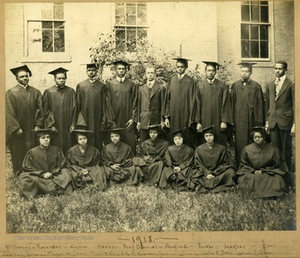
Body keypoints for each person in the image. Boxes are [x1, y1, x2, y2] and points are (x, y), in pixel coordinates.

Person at [225, 62, 265, 168]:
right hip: (238, 122)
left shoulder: (256, 86)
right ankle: (240, 169)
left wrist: (259, 123)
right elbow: (231, 105)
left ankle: (253, 168)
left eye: (247, 71)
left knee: (252, 145)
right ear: (240, 72)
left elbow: (260, 106)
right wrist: (231, 122)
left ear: (250, 73)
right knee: (240, 146)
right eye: (242, 71)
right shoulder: (235, 86)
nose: (244, 73)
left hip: (252, 122)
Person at [6, 65, 44, 174]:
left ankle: (33, 170)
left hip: (32, 127)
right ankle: (19, 170)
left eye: (26, 76)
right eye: (22, 77)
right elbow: (9, 112)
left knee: (33, 148)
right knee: (18, 148)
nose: (24, 78)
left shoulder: (36, 92)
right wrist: (16, 128)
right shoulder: (10, 93)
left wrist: (38, 125)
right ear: (16, 78)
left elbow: (41, 110)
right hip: (19, 128)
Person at [18, 129, 73, 198]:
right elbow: (27, 168)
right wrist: (43, 174)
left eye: (48, 137)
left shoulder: (56, 150)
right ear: (38, 139)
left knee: (66, 172)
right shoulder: (31, 152)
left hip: (55, 176)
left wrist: (52, 173)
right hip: (40, 177)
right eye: (43, 138)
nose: (46, 139)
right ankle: (53, 189)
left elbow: (61, 164)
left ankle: (45, 189)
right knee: (25, 176)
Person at [235, 127, 288, 198]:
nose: (257, 139)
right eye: (255, 137)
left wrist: (263, 171)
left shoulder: (274, 150)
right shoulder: (246, 149)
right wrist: (253, 171)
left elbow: (278, 166)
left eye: (259, 137)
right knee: (244, 178)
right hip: (251, 173)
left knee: (277, 178)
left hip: (268, 172)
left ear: (264, 137)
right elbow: (244, 165)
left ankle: (271, 193)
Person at [265, 60, 295, 172]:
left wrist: (295, 124)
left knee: (286, 150)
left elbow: (295, 105)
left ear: (285, 70)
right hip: (273, 121)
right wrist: (267, 121)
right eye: (275, 68)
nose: (277, 71)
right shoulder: (270, 85)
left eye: (280, 69)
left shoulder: (291, 84)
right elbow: (268, 105)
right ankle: (277, 174)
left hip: (285, 121)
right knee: (275, 149)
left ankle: (287, 174)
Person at [164, 58, 199, 148]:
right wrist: (166, 117)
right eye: (178, 67)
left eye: (182, 67)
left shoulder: (190, 81)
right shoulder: (172, 80)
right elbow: (167, 100)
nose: (179, 69)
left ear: (185, 67)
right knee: (174, 137)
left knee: (187, 137)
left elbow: (193, 100)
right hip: (174, 116)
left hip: (185, 115)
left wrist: (191, 118)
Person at [105, 60, 138, 154]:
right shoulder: (110, 84)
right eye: (119, 69)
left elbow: (135, 102)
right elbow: (107, 103)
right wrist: (111, 120)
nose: (121, 71)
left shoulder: (131, 85)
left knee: (129, 142)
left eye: (123, 69)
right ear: (115, 70)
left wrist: (132, 118)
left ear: (126, 70)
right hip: (114, 119)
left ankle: (130, 164)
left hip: (128, 120)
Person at [191, 126, 236, 193]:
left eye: (210, 135)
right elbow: (198, 164)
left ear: (214, 136)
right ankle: (215, 186)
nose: (208, 138)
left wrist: (214, 173)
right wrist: (207, 173)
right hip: (204, 173)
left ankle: (209, 185)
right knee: (193, 173)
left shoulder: (221, 148)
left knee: (230, 172)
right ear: (204, 137)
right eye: (206, 136)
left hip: (218, 173)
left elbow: (224, 163)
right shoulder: (199, 149)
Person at [196, 61, 230, 146]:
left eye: (212, 70)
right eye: (208, 70)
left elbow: (226, 104)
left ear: (215, 72)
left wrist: (224, 121)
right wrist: (198, 122)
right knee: (204, 143)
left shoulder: (222, 86)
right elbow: (197, 104)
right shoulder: (199, 85)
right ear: (205, 71)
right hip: (204, 120)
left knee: (219, 142)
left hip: (218, 120)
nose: (210, 72)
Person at [43, 67, 77, 153]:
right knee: (55, 144)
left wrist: (73, 124)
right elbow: (46, 110)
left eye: (63, 78)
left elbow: (75, 108)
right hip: (55, 125)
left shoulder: (71, 91)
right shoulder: (49, 92)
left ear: (65, 79)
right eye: (59, 78)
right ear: (54, 79)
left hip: (67, 124)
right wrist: (51, 125)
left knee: (68, 143)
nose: (61, 80)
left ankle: (67, 163)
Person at [76, 62, 108, 151]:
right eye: (89, 70)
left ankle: (97, 158)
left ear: (96, 71)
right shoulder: (81, 86)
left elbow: (105, 104)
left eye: (93, 70)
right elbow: (78, 104)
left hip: (98, 116)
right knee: (87, 137)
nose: (91, 72)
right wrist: (79, 119)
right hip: (85, 117)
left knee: (98, 137)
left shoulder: (102, 86)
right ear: (86, 71)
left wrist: (104, 117)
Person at [137, 65, 166, 143]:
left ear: (155, 75)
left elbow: (163, 104)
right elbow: (138, 105)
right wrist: (138, 121)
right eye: (148, 73)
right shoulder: (141, 89)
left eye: (152, 73)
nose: (150, 74)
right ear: (145, 75)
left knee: (156, 142)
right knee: (143, 142)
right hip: (144, 120)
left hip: (156, 120)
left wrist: (162, 120)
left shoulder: (160, 88)